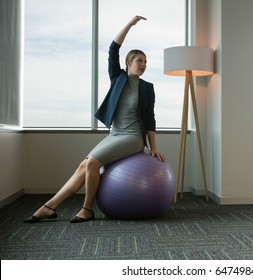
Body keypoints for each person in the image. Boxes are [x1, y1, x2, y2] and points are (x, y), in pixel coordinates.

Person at [23, 15, 165, 223]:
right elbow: (113, 49)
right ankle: (49, 207)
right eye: (139, 60)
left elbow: (150, 118)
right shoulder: (118, 78)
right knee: (84, 165)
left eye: (145, 62)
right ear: (128, 63)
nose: (143, 64)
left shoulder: (147, 88)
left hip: (132, 137)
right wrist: (129, 24)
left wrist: (153, 146)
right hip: (114, 134)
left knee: (91, 163)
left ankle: (86, 209)